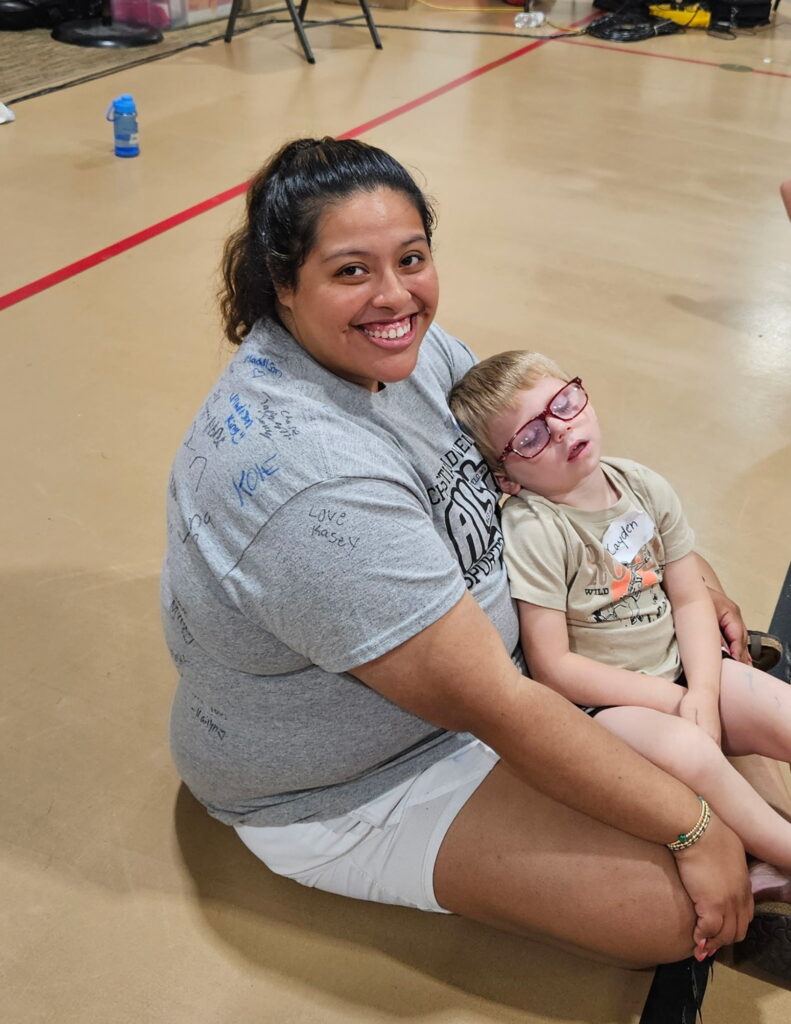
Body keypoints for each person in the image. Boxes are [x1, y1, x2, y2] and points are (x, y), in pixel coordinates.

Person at [163, 137, 757, 979]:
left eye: (410, 257)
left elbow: (532, 459)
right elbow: (495, 707)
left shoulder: (408, 355)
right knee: (669, 906)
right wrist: (692, 829)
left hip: (506, 675)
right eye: (350, 271)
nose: (395, 296)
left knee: (720, 725)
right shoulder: (310, 480)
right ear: (283, 284)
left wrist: (680, 564)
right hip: (364, 779)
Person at [448, 350, 791, 903]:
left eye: (562, 403)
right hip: (606, 707)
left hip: (683, 669)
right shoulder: (536, 529)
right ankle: (780, 850)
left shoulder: (642, 485)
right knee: (693, 752)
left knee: (777, 706)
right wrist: (674, 701)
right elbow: (555, 668)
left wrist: (702, 690)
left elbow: (688, 598)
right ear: (505, 475)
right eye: (530, 437)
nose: (560, 430)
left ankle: (764, 859)